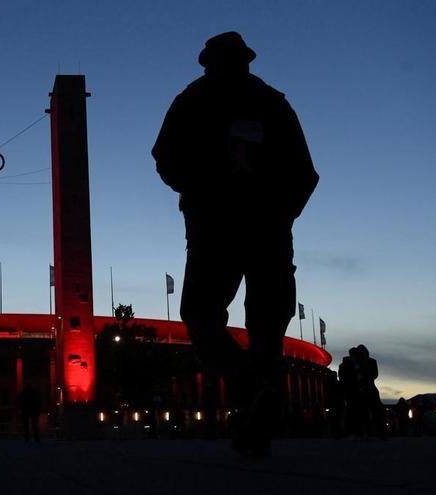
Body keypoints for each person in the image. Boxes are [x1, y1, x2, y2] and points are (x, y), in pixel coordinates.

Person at [152, 32, 319, 457]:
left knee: (200, 314)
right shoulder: (274, 103)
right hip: (268, 228)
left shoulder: (193, 100)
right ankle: (257, 416)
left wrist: (195, 192)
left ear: (208, 63)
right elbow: (305, 172)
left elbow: (164, 157)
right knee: (266, 328)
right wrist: (282, 214)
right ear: (246, 62)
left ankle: (249, 392)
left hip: (215, 226)